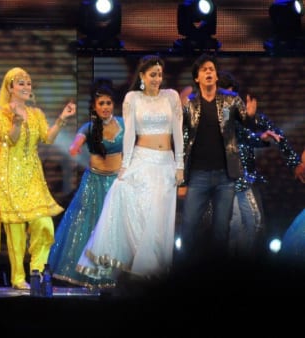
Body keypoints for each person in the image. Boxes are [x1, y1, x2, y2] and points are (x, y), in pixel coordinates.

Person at [76, 55, 184, 283]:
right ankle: (136, 273)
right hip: (141, 161)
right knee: (137, 211)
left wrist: (180, 165)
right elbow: (130, 135)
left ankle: (153, 276)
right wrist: (125, 167)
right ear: (142, 76)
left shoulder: (171, 97)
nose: (157, 78)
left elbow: (178, 132)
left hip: (165, 165)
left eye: (160, 74)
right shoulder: (132, 98)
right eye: (152, 74)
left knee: (160, 220)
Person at [0, 67, 76, 290]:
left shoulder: (36, 114)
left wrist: (62, 118)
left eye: (28, 83)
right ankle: (18, 277)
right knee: (16, 233)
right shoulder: (0, 113)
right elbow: (10, 140)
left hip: (32, 176)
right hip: (9, 176)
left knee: (45, 225)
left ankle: (37, 272)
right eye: (20, 83)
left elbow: (48, 139)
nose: (26, 87)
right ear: (10, 87)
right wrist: (17, 122)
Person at [178, 54, 257, 266]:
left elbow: (246, 126)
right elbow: (179, 137)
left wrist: (250, 115)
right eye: (204, 70)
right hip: (198, 176)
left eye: (212, 69)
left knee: (222, 230)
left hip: (225, 176)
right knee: (188, 227)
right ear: (197, 78)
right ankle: (184, 274)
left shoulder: (231, 101)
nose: (209, 72)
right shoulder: (190, 105)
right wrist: (181, 178)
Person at [217, 71, 303, 259]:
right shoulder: (210, 120)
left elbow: (277, 137)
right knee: (227, 228)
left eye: (232, 96)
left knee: (254, 224)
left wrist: (295, 163)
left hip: (246, 181)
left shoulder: (249, 116)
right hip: (219, 183)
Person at [48, 78, 123, 289]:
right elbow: (76, 142)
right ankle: (86, 276)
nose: (105, 107)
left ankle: (111, 276)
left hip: (116, 183)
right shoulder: (89, 127)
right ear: (94, 106)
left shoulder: (124, 124)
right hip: (93, 183)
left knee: (112, 228)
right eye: (101, 104)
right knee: (87, 227)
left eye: (108, 103)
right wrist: (74, 148)